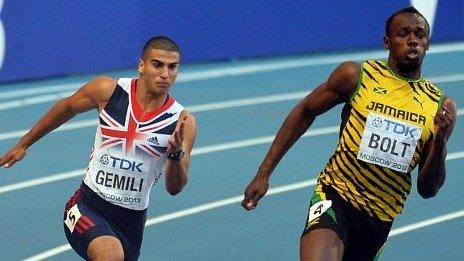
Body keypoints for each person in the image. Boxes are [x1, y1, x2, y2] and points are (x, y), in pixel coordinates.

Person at [241, 6, 456, 261]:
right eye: (404, 34)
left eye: (419, 35)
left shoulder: (439, 106)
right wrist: (263, 173)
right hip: (336, 195)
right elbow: (305, 110)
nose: (412, 40)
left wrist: (440, 142)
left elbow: (428, 189)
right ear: (387, 41)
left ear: (428, 43)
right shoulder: (357, 76)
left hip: (379, 217)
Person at [0, 36, 197, 260]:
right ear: (141, 65)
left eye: (173, 67)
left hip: (131, 222)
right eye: (158, 65)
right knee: (109, 256)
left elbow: (175, 188)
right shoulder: (109, 91)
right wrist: (24, 144)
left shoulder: (182, 121)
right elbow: (67, 107)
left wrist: (173, 153)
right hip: (87, 205)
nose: (166, 74)